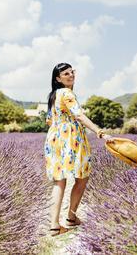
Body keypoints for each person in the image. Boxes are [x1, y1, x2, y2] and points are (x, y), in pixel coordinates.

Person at [44, 62, 113, 236]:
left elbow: (48, 121)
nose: (70, 75)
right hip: (71, 139)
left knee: (59, 181)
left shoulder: (53, 95)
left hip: (54, 139)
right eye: (65, 74)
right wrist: (99, 131)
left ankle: (54, 225)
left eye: (71, 72)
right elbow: (79, 115)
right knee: (82, 177)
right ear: (58, 79)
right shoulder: (67, 93)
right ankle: (71, 217)